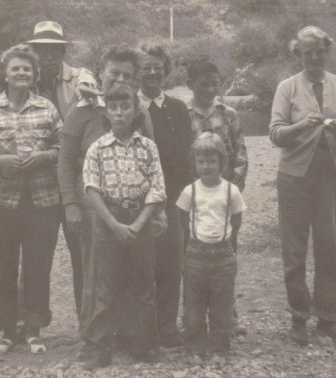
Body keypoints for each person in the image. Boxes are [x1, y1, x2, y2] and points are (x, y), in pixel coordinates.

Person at [269, 26, 336, 345]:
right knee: (294, 251)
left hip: (329, 177)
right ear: (297, 54)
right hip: (294, 177)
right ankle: (298, 319)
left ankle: (328, 319)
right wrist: (300, 126)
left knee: (330, 248)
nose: (313, 56)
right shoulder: (287, 87)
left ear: (327, 51)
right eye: (306, 51)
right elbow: (276, 134)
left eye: (319, 50)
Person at [57, 43, 153, 359]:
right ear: (101, 73)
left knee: (128, 270)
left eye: (127, 75)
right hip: (91, 206)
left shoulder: (140, 113)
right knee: (93, 272)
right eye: (114, 73)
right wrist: (70, 204)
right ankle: (93, 339)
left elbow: (150, 159)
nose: (119, 79)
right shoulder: (82, 111)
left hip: (130, 204)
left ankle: (126, 334)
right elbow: (66, 161)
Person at [0, 44, 62, 355]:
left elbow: (62, 148)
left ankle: (34, 330)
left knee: (38, 265)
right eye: (16, 68)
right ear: (5, 73)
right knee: (2, 265)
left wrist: (43, 156)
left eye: (27, 68)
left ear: (35, 74)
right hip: (0, 201)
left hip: (42, 200)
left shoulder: (48, 108)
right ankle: (7, 331)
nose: (22, 72)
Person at [81, 83, 166, 369]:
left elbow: (157, 188)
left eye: (125, 106)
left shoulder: (148, 147)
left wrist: (140, 222)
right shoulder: (97, 149)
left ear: (135, 110)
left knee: (143, 283)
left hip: (140, 220)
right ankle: (99, 348)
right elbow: (91, 189)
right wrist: (115, 225)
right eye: (113, 107)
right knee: (105, 286)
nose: (119, 113)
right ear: (106, 111)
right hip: (109, 222)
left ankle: (144, 345)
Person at [23, 20, 98, 322]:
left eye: (54, 50)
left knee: (81, 251)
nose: (48, 57)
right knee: (36, 254)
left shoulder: (78, 78)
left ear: (63, 51)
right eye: (42, 51)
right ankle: (30, 323)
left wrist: (87, 85)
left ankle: (88, 321)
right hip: (38, 180)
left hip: (73, 176)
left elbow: (90, 83)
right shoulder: (26, 79)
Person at [186, 57, 249, 335]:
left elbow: (241, 156)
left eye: (215, 84)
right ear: (190, 85)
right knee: (193, 257)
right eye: (203, 85)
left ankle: (228, 317)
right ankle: (194, 319)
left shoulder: (229, 114)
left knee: (227, 254)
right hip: (193, 198)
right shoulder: (182, 113)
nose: (210, 90)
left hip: (223, 199)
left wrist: (230, 191)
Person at [137, 41, 193, 347]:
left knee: (172, 263)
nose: (152, 73)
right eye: (145, 67)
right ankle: (142, 329)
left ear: (165, 71)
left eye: (157, 67)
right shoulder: (130, 107)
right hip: (137, 201)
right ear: (137, 72)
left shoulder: (178, 107)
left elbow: (187, 155)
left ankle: (168, 327)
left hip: (172, 197)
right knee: (142, 263)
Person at [176, 132, 246, 359]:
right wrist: (192, 244)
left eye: (212, 161)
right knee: (194, 306)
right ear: (194, 163)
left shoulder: (231, 191)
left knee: (221, 304)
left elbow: (236, 220)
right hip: (196, 255)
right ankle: (194, 348)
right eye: (201, 161)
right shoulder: (190, 191)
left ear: (223, 163)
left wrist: (225, 242)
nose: (206, 166)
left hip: (223, 255)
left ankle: (219, 348)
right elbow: (183, 219)